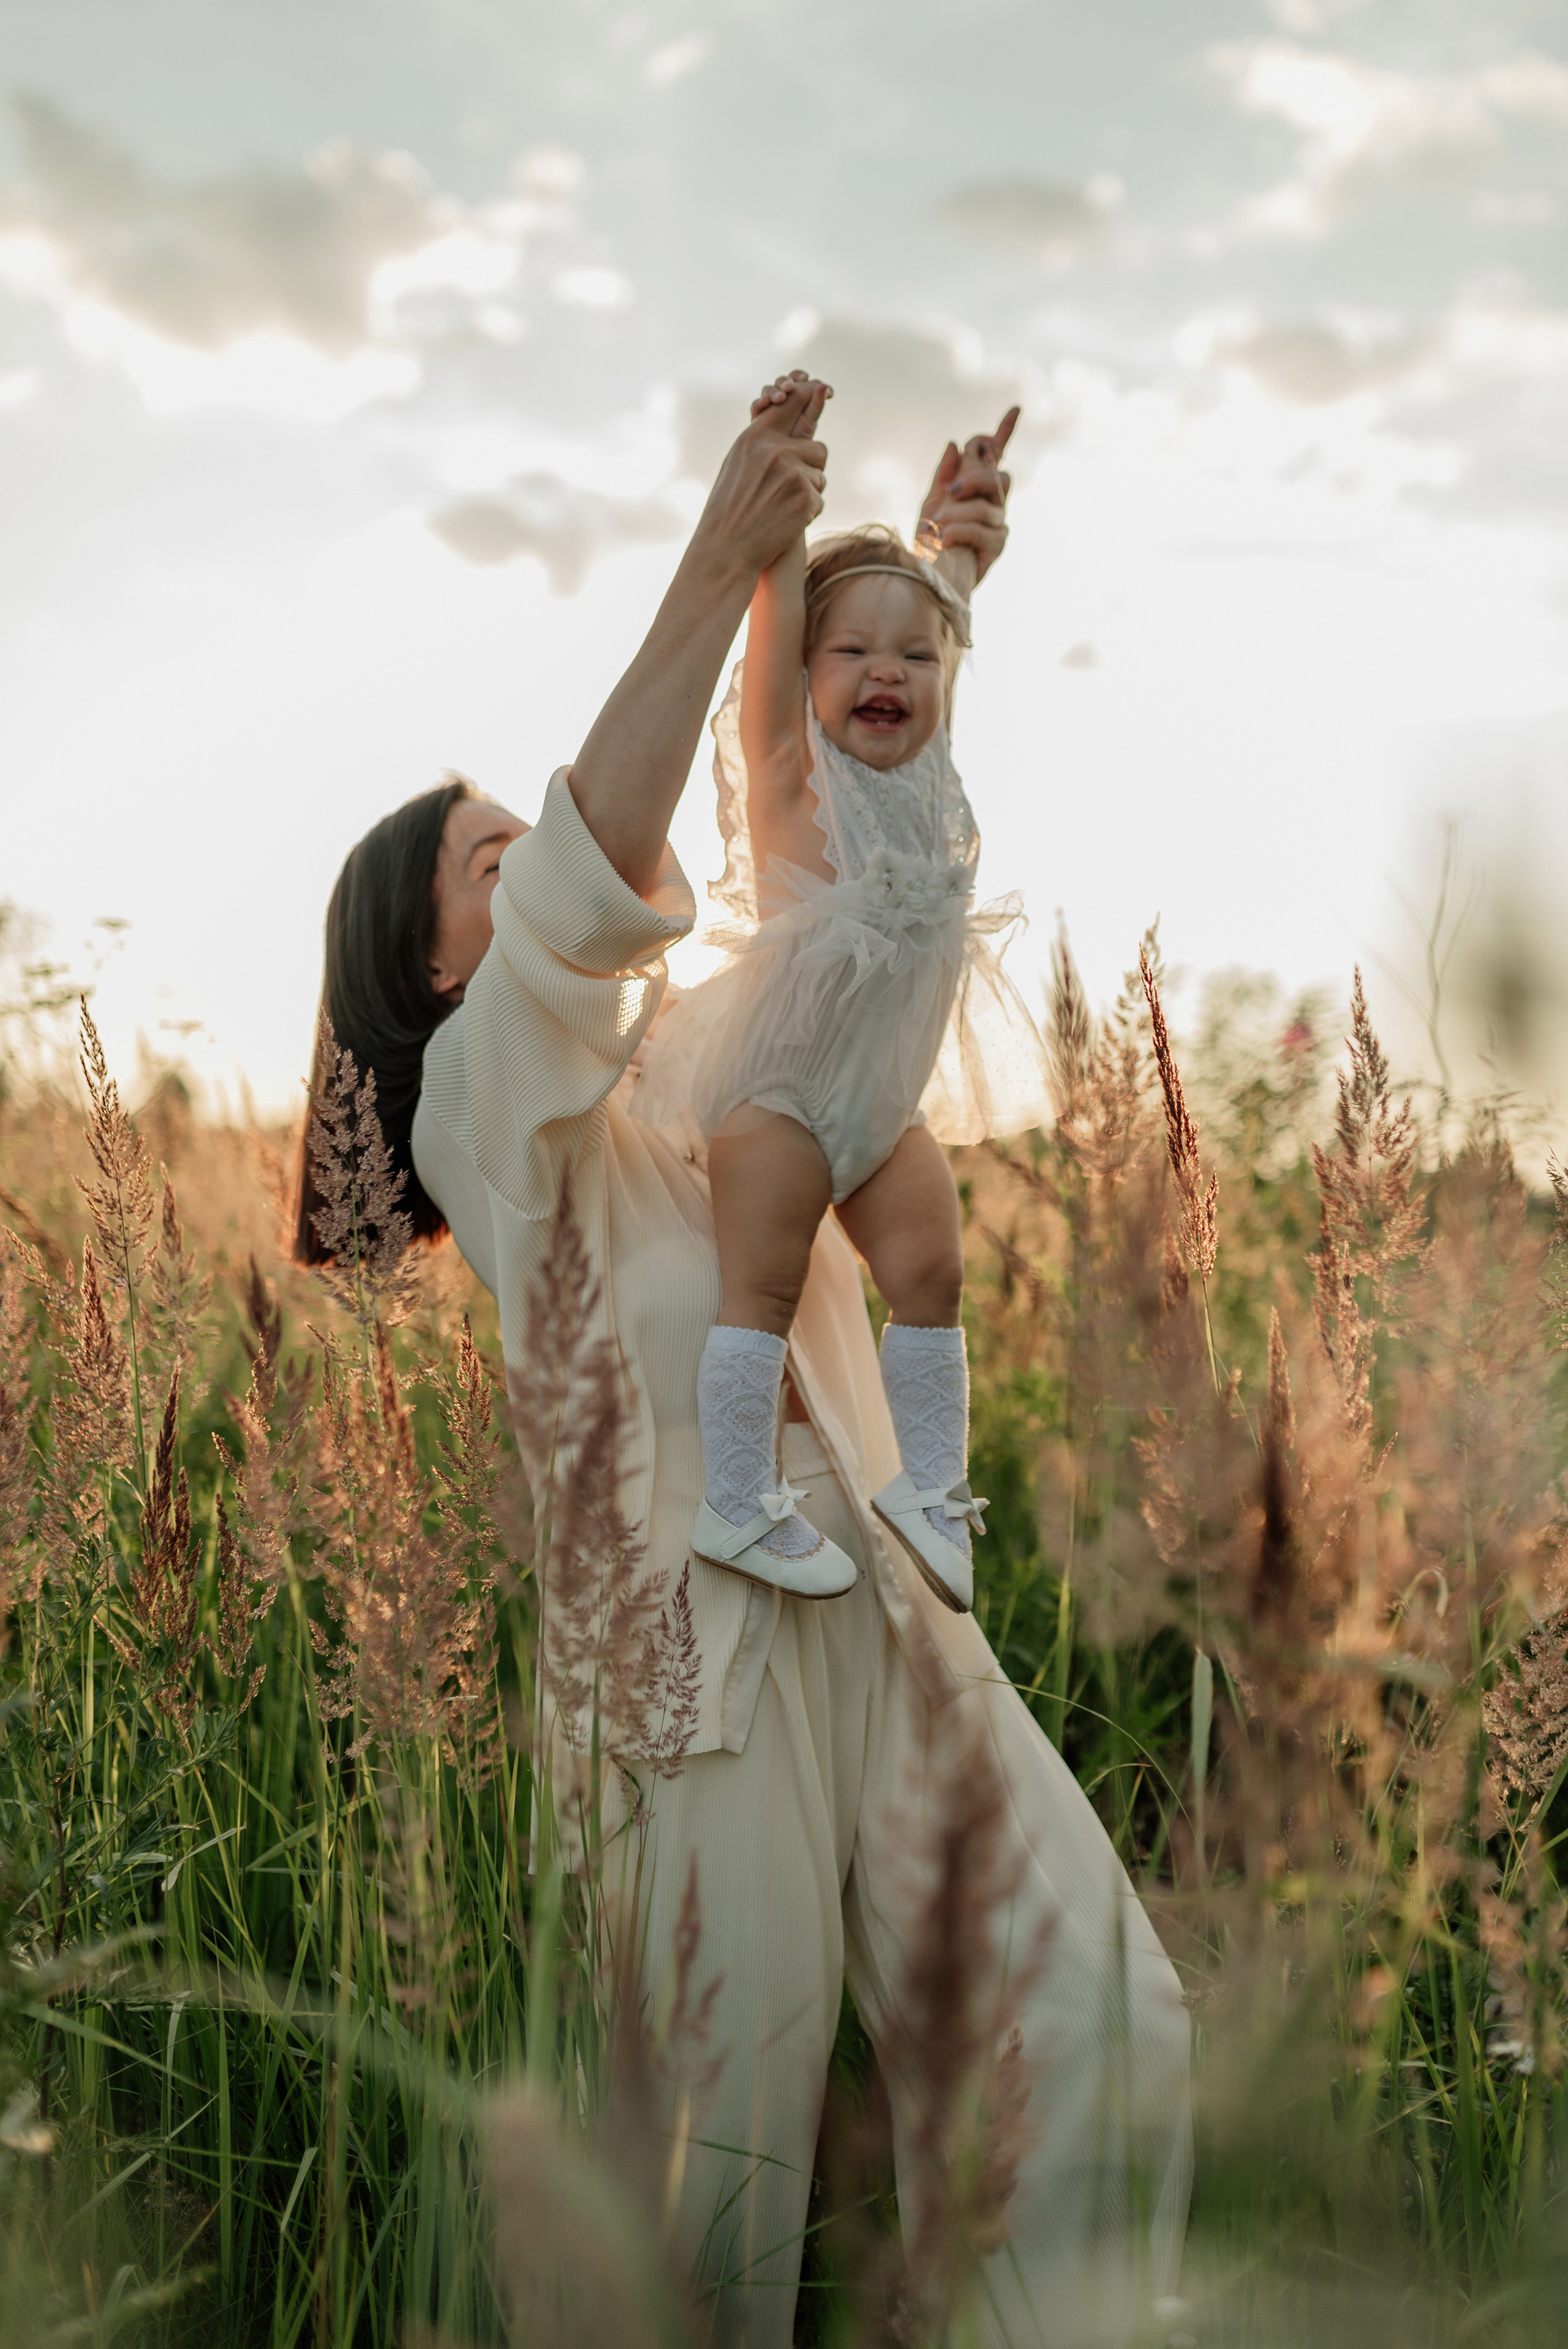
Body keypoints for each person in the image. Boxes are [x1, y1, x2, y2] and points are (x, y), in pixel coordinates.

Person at [302, 388, 1191, 2348]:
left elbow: (850, 824)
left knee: (1097, 2018)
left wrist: (937, 579)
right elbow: (603, 873)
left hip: (873, 1594)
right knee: (719, 2188)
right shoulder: (483, 1114)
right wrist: (723, 559)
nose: (546, 860)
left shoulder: (712, 1075)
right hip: (682, 1672)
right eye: (493, 862)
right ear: (435, 965)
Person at [632, 376, 1050, 1617]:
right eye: (851, 652)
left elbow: (944, 604)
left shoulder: (926, 763)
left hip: (878, 1105)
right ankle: (737, 1499)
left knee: (931, 1270)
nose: (888, 672)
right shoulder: (792, 772)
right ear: (806, 672)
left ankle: (929, 1487)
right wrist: (781, 508)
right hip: (775, 1094)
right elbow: (784, 642)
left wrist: (958, 533)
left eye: (912, 658)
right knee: (758, 1290)